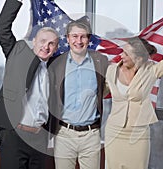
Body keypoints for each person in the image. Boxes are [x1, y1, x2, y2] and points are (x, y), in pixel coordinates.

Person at [104, 5, 163, 169]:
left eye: (126, 54)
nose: (121, 56)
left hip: (138, 135)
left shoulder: (151, 71)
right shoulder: (111, 70)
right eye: (122, 51)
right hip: (114, 133)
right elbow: (102, 92)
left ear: (139, 57)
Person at [0, 0, 59, 168]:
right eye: (42, 41)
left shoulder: (55, 69)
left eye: (51, 44)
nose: (46, 47)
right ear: (34, 42)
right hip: (14, 136)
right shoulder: (17, 55)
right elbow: (1, 30)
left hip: (40, 139)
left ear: (56, 48)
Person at [48, 16, 109, 169]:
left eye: (83, 36)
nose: (79, 41)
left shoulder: (101, 61)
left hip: (91, 135)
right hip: (64, 134)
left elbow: (110, 87)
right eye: (74, 36)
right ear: (67, 39)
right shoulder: (56, 64)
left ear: (89, 39)